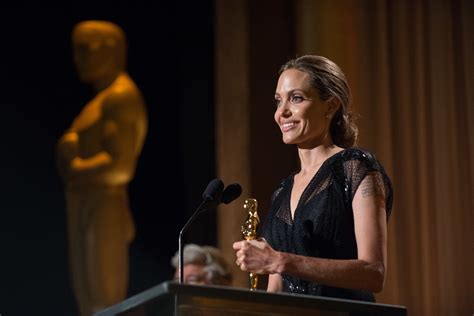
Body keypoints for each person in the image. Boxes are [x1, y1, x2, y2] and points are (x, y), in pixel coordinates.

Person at [233, 55, 393, 302]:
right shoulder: (282, 191)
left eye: (296, 98)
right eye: (278, 101)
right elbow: (275, 290)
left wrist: (280, 261)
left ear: (331, 105)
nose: (282, 112)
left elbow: (373, 273)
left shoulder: (356, 167)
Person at [56, 20, 148, 315]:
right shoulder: (101, 100)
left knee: (103, 299)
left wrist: (73, 165)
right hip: (87, 202)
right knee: (89, 300)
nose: (77, 59)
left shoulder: (121, 97)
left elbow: (119, 166)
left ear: (109, 50)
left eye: (85, 49)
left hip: (104, 204)